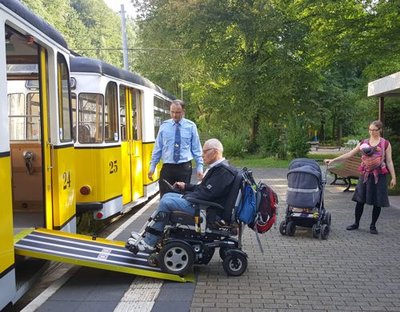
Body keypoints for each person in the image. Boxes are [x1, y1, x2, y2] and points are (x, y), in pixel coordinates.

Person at [127, 138, 237, 253]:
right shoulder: (219, 168)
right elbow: (204, 190)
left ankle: (150, 242)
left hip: (206, 210)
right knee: (167, 195)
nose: (202, 155)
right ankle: (148, 234)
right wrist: (186, 186)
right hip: (203, 204)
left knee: (166, 203)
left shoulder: (223, 172)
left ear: (215, 152)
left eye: (205, 151)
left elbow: (207, 194)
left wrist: (187, 196)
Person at [325, 120, 396, 234]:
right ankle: (356, 223)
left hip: (379, 176)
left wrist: (393, 177)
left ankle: (373, 226)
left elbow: (389, 161)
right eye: (370, 129)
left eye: (374, 130)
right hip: (365, 175)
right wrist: (333, 160)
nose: (372, 132)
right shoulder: (364, 143)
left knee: (377, 201)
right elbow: (349, 154)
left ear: (380, 130)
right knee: (360, 200)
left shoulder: (385, 144)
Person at [148, 99, 203, 197]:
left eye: (177, 112)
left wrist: (200, 167)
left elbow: (196, 148)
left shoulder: (191, 126)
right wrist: (152, 167)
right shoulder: (164, 126)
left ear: (183, 112)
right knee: (165, 197)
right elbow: (158, 148)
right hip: (168, 167)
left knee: (182, 198)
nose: (174, 115)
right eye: (172, 112)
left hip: (184, 168)